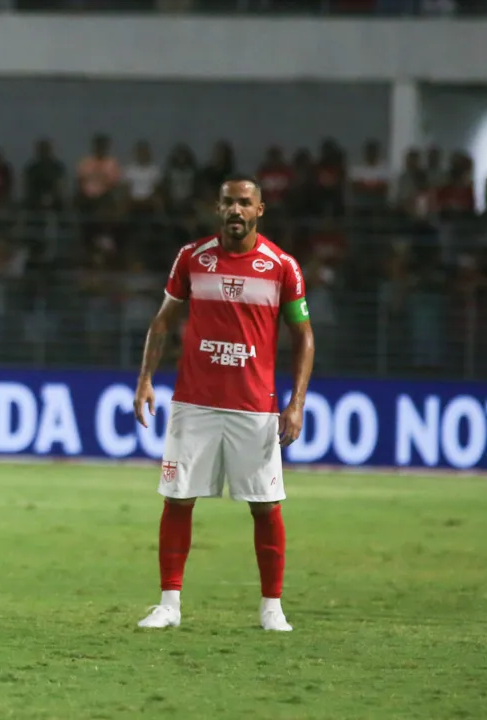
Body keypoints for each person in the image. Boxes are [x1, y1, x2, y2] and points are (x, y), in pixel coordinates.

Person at [133, 175, 314, 632]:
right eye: (229, 203)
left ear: (260, 210)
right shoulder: (192, 258)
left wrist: (296, 404)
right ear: (219, 208)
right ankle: (168, 605)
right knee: (177, 499)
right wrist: (145, 380)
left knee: (265, 506)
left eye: (245, 204)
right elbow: (161, 322)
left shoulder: (281, 266)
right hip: (195, 402)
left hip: (255, 406)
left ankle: (272, 608)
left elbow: (304, 336)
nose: (236, 211)